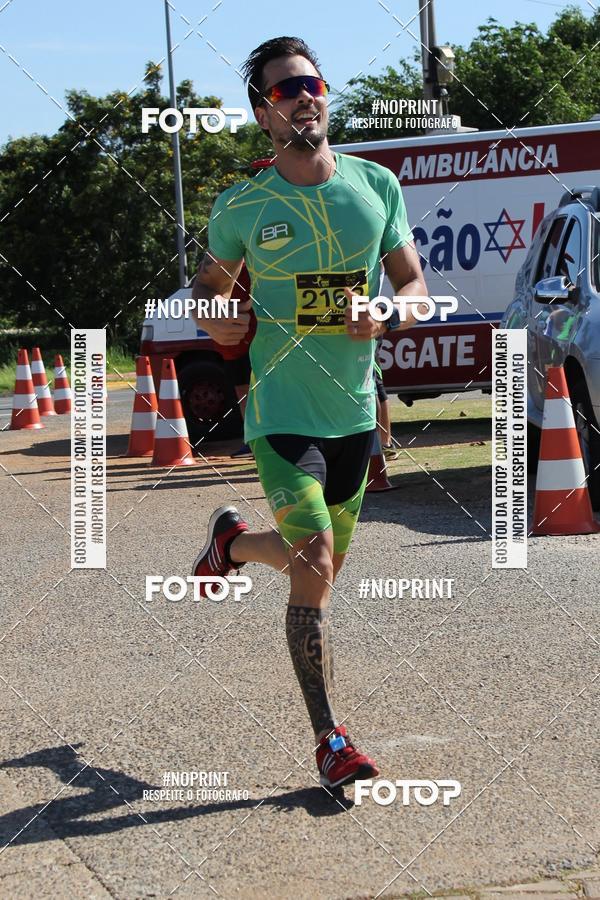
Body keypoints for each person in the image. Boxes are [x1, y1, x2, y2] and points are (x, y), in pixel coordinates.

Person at [191, 36, 428, 789]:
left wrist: (386, 318)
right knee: (316, 561)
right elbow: (209, 294)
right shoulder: (243, 204)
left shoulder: (375, 186)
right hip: (281, 413)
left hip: (355, 413)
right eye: (284, 90)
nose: (303, 97)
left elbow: (417, 289)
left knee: (313, 571)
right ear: (263, 113)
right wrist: (216, 320)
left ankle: (230, 544)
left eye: (311, 83)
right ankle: (330, 741)